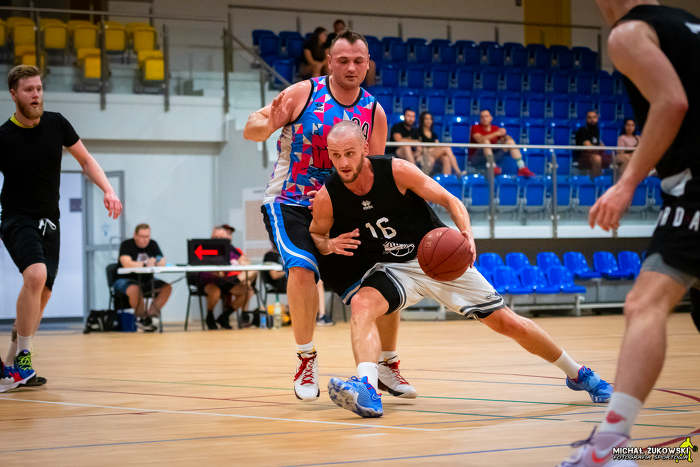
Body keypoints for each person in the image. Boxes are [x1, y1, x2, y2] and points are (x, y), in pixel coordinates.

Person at [310, 121, 612, 418]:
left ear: (364, 148)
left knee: (508, 323)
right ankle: (366, 387)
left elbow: (450, 200)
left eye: (349, 153)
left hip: (438, 258)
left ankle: (579, 374)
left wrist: (466, 232)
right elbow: (317, 235)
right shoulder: (328, 196)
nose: (343, 163)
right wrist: (329, 244)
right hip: (393, 268)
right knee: (362, 304)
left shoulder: (396, 170)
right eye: (336, 155)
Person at [559, 2, 700, 466]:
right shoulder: (687, 23)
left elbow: (671, 101)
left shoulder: (629, 33)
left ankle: (609, 446)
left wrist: (626, 183)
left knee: (644, 304)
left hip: (694, 188)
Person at [243, 30, 411, 402]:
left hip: (341, 208)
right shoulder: (303, 94)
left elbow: (374, 172)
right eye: (343, 60)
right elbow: (252, 130)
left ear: (367, 64)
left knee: (384, 276)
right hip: (290, 202)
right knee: (303, 268)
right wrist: (265, 121)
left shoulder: (374, 112)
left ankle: (387, 362)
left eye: (358, 61)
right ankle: (306, 358)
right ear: (330, 62)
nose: (351, 67)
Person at [0, 65, 122, 387]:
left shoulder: (57, 123)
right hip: (16, 218)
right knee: (35, 275)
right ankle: (24, 360)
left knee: (41, 293)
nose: (36, 95)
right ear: (14, 94)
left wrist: (108, 190)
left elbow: (85, 160)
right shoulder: (4, 136)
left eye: (39, 88)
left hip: (50, 221)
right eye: (28, 90)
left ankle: (10, 363)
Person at [115, 223, 172, 332]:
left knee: (166, 288)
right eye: (142, 236)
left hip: (147, 279)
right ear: (135, 235)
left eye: (147, 236)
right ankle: (141, 318)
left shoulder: (153, 244)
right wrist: (145, 264)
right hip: (126, 279)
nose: (145, 240)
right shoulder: (126, 245)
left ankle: (150, 317)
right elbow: (126, 263)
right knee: (135, 289)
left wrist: (156, 262)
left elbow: (162, 261)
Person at [199, 224, 256, 330]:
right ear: (212, 236)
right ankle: (209, 316)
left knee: (247, 290)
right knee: (215, 292)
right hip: (210, 281)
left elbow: (245, 262)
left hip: (227, 280)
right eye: (217, 237)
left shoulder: (231, 248)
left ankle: (224, 316)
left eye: (225, 236)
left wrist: (243, 264)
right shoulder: (205, 248)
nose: (220, 239)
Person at [470, 109, 534, 177]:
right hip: (478, 157)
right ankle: (492, 166)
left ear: (491, 118)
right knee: (485, 141)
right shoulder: (475, 127)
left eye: (486, 116)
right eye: (482, 117)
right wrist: (496, 133)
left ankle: (521, 167)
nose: (484, 118)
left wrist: (506, 137)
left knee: (510, 142)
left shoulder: (495, 128)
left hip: (494, 155)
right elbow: (479, 140)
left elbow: (506, 138)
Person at [418, 111, 462, 176]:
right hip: (425, 153)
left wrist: (433, 148)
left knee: (446, 158)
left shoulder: (434, 134)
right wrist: (430, 149)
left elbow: (437, 145)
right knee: (447, 148)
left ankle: (446, 180)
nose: (429, 121)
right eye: (426, 119)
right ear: (422, 120)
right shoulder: (418, 132)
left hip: (434, 153)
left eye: (430, 119)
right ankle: (458, 172)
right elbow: (419, 147)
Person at [574, 110, 611, 179]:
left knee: (612, 158)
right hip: (582, 157)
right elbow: (588, 147)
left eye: (594, 117)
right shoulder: (582, 130)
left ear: (597, 118)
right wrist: (598, 147)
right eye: (589, 117)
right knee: (597, 158)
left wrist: (598, 146)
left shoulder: (596, 130)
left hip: (595, 155)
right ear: (586, 119)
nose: (592, 120)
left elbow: (602, 146)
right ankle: (595, 182)